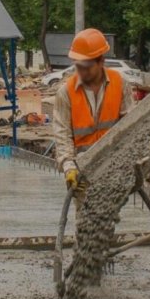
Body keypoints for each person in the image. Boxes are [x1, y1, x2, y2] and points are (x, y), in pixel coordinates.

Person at [53, 28, 133, 193]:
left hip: (113, 166)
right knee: (87, 217)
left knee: (110, 215)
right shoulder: (66, 92)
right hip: (82, 170)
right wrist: (69, 167)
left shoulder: (120, 84)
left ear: (101, 61)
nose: (82, 72)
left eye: (87, 67)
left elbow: (130, 126)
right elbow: (62, 134)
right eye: (78, 66)